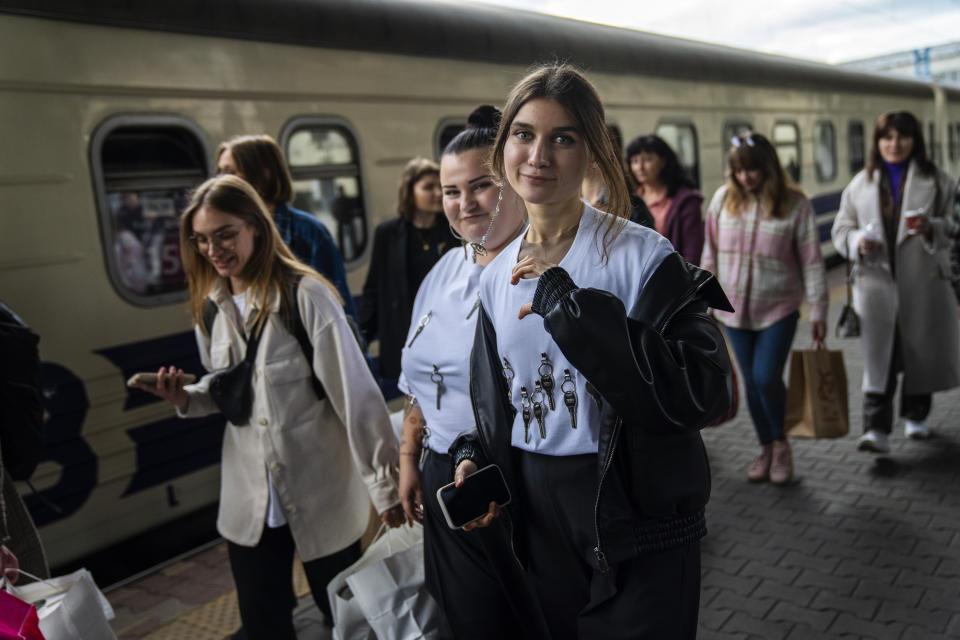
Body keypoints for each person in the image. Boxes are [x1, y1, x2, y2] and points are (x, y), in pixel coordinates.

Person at [450, 64, 734, 640]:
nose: (539, 155)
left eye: (563, 138)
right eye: (524, 135)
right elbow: (504, 393)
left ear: (593, 151)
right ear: (503, 148)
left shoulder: (642, 256)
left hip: (633, 505)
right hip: (537, 507)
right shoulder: (492, 276)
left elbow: (706, 387)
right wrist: (474, 453)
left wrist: (571, 305)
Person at [132, 175, 404, 638]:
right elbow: (229, 391)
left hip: (323, 494)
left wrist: (386, 490)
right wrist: (185, 398)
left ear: (256, 227)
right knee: (264, 624)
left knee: (351, 620)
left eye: (225, 234)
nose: (213, 250)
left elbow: (356, 396)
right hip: (250, 500)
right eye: (201, 240)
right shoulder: (211, 306)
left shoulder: (306, 296)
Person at [396, 107, 548, 640]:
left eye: (481, 186)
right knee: (462, 616)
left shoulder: (541, 274)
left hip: (512, 481)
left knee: (514, 620)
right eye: (450, 191)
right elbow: (418, 383)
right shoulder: (444, 270)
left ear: (512, 181)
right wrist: (410, 458)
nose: (465, 205)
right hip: (445, 477)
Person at [702, 132, 828, 485]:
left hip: (779, 309)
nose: (746, 177)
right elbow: (709, 252)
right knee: (754, 385)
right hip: (734, 311)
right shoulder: (723, 200)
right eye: (740, 171)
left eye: (753, 170)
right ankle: (766, 447)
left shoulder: (795, 203)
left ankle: (782, 444)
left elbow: (813, 262)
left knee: (766, 377)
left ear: (769, 167)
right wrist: (704, 299)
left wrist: (818, 310)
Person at [831, 110, 960, 452]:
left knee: (918, 348)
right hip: (876, 285)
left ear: (915, 140)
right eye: (887, 137)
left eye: (903, 137)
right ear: (877, 142)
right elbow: (840, 229)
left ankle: (916, 417)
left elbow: (954, 224)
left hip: (924, 282)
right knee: (879, 359)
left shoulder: (937, 180)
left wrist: (933, 226)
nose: (895, 144)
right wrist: (857, 240)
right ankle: (876, 430)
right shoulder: (861, 183)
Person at [216, 135, 357, 319]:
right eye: (219, 172)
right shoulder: (222, 235)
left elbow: (338, 306)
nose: (221, 180)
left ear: (263, 176)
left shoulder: (309, 233)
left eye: (230, 171)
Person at [359, 157, 456, 392]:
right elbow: (374, 287)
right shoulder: (388, 234)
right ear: (410, 191)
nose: (437, 194)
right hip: (406, 332)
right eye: (428, 187)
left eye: (440, 187)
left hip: (445, 332)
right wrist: (362, 335)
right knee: (411, 401)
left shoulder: (452, 231)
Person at [626, 134, 704, 264]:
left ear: (663, 161)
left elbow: (692, 253)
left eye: (647, 160)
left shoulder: (685, 202)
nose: (640, 167)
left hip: (674, 275)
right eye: (634, 161)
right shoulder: (631, 199)